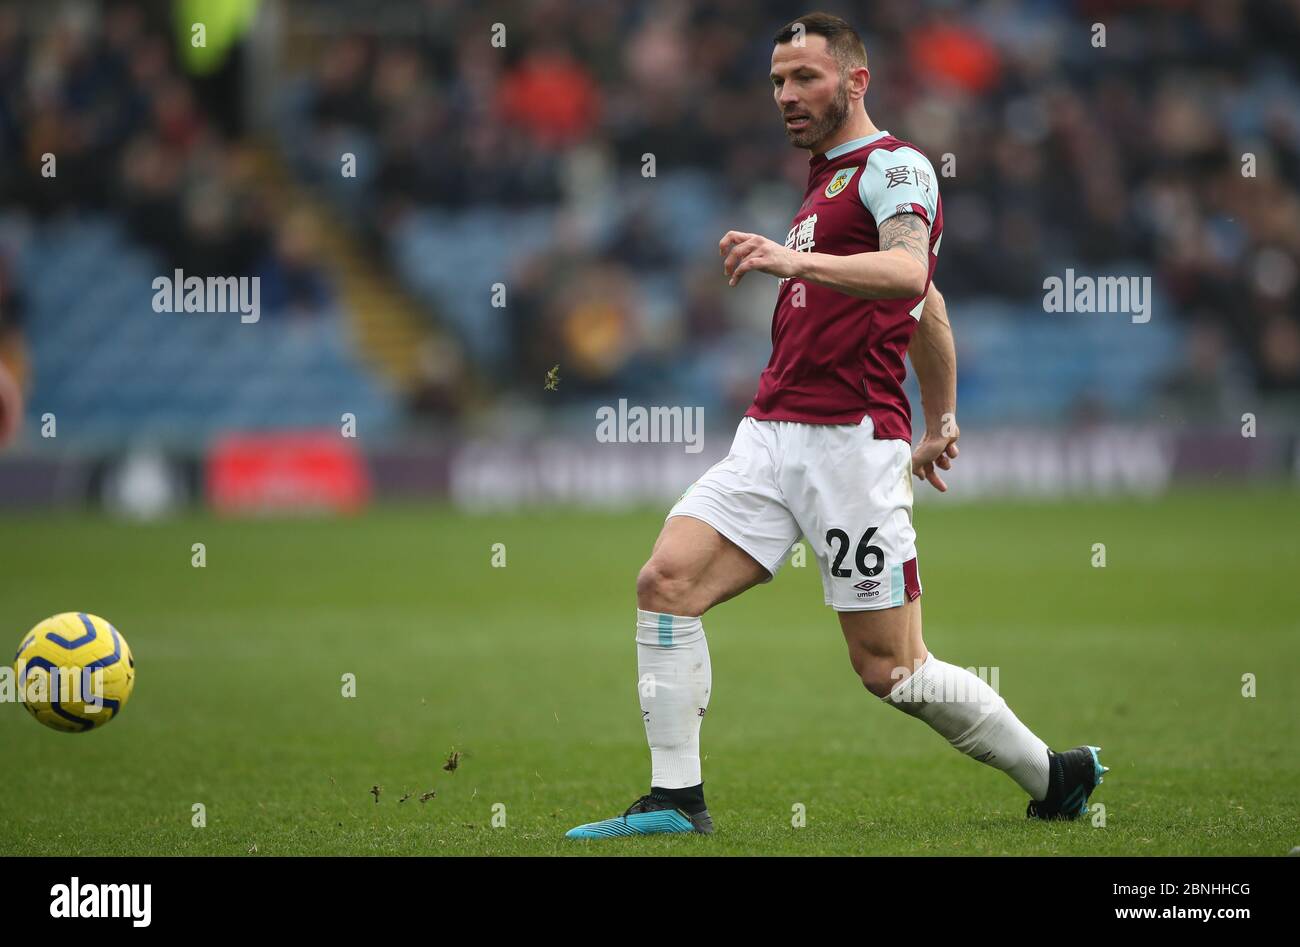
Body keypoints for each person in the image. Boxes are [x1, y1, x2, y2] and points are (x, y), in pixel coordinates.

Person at [566, 12, 1105, 839]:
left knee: (891, 668)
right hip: (770, 432)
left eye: (805, 77)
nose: (786, 94)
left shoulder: (896, 166)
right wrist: (943, 417)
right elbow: (929, 306)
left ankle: (1054, 774)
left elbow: (909, 273)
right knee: (665, 583)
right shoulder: (825, 181)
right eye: (777, 80)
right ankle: (676, 800)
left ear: (856, 81)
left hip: (850, 446)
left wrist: (796, 261)